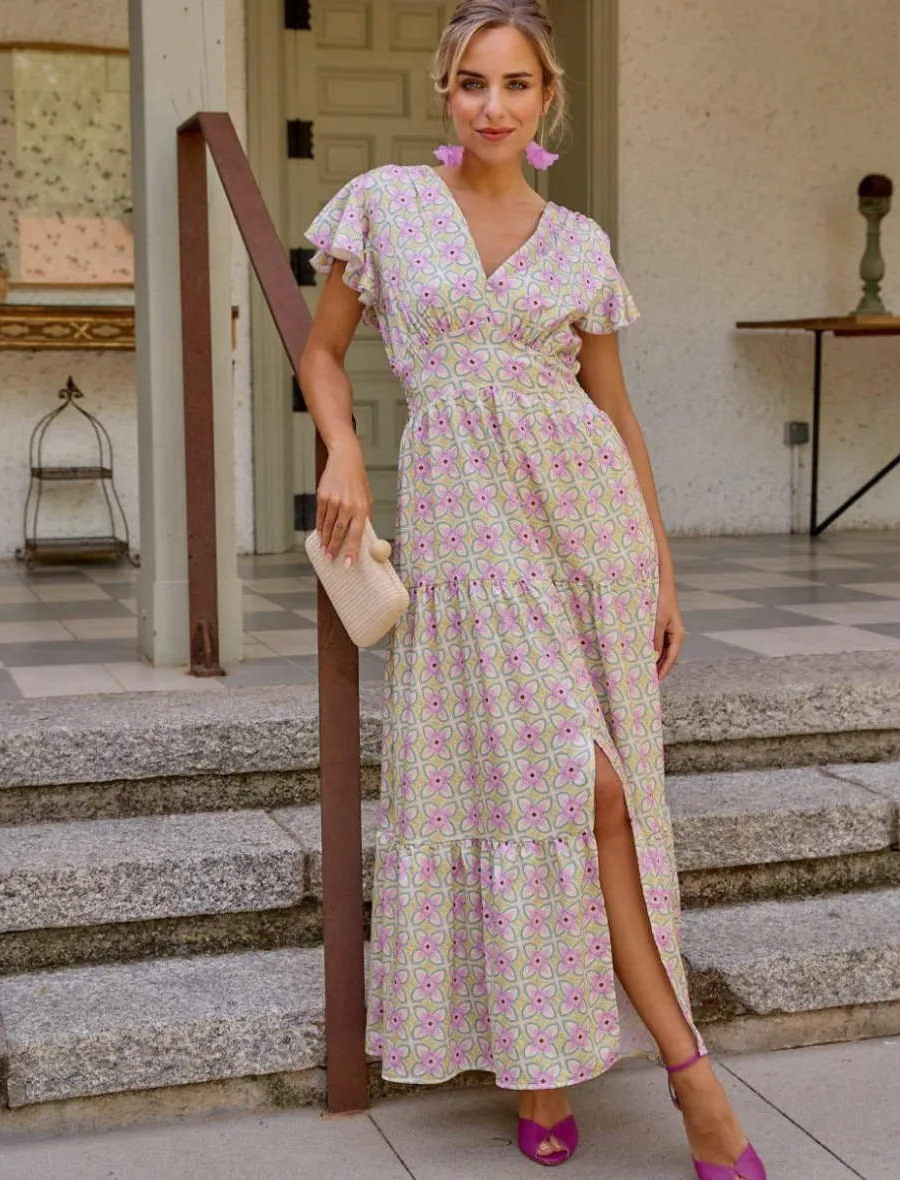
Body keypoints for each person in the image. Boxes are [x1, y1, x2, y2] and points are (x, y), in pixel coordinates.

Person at [298, 3, 765, 1176]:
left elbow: (614, 411)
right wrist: (342, 449)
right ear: (443, 90)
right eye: (471, 81)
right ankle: (690, 1079)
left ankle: (553, 1071)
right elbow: (320, 349)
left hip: (586, 530)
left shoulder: (579, 242)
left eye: (514, 84)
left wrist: (659, 569)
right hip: (466, 540)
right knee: (575, 784)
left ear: (547, 97)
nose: (491, 105)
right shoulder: (386, 204)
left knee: (594, 796)